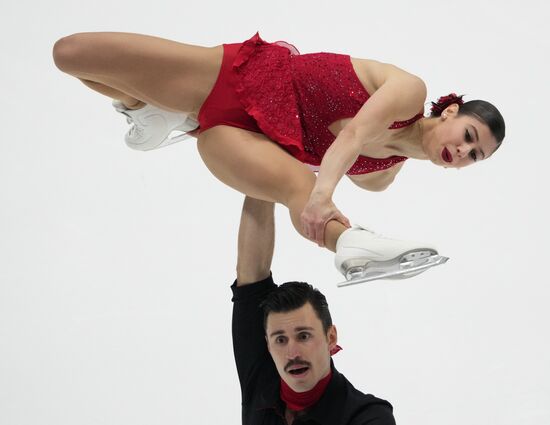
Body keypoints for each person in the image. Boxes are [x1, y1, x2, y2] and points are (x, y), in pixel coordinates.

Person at [52, 32, 505, 281]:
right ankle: (150, 113)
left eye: (474, 155)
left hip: (234, 137)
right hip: (239, 81)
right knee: (71, 55)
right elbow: (350, 140)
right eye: (468, 135)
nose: (463, 152)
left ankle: (352, 247)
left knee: (299, 189)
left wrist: (316, 194)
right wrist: (325, 191)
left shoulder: (382, 176)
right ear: (448, 112)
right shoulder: (410, 92)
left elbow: (312, 174)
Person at [233, 195, 396, 424]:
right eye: (280, 340)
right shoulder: (262, 378)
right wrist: (265, 172)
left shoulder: (368, 416)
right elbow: (251, 275)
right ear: (267, 346)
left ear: (331, 337)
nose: (292, 353)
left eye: (303, 336)